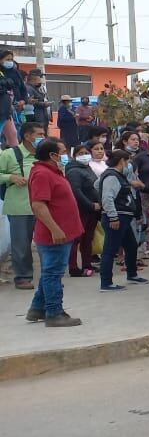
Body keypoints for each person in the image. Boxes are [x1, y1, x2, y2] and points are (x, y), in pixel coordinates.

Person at [25, 137, 84, 327]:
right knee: (53, 274)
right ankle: (54, 312)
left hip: (62, 232)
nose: (65, 154)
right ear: (52, 155)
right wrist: (55, 229)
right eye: (62, 151)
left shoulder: (52, 171)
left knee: (50, 272)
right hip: (55, 235)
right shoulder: (42, 174)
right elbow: (38, 205)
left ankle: (37, 308)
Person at [1, 121, 44, 289]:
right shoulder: (10, 154)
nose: (42, 138)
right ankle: (22, 277)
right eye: (39, 135)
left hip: (42, 206)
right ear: (27, 136)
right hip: (19, 206)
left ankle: (48, 277)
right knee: (21, 244)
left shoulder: (43, 154)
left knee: (46, 243)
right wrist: (10, 178)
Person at [96, 149, 146, 291]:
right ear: (122, 161)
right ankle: (106, 283)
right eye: (128, 162)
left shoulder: (115, 175)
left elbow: (96, 185)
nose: (129, 165)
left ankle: (132, 274)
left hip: (123, 217)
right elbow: (107, 197)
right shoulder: (112, 176)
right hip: (116, 217)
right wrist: (113, 216)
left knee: (131, 245)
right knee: (110, 250)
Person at [64, 144, 100, 278]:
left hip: (92, 210)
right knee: (76, 239)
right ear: (74, 156)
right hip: (81, 210)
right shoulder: (74, 171)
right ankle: (73, 267)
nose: (84, 155)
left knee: (88, 239)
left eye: (86, 152)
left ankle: (87, 264)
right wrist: (90, 205)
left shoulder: (87, 168)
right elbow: (76, 191)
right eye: (81, 153)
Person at [0, 50, 27, 147]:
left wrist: (23, 100)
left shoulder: (15, 73)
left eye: (11, 59)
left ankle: (15, 159)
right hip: (3, 108)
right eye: (7, 59)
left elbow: (23, 89)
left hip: (9, 109)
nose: (10, 62)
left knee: (13, 134)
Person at [24, 71, 49, 136]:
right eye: (39, 78)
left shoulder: (37, 89)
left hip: (41, 118)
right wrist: (44, 104)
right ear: (33, 79)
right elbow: (30, 102)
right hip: (36, 118)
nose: (41, 80)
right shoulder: (29, 88)